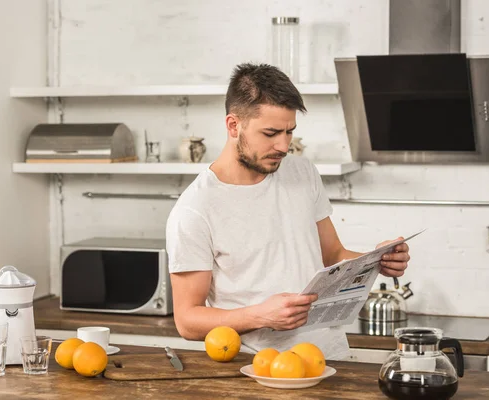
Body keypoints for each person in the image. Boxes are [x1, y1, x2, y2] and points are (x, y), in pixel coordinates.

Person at [165, 63, 410, 360]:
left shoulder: (302, 173)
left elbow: (333, 255)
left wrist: (375, 260)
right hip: (256, 368)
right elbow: (188, 320)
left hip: (329, 358)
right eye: (270, 133)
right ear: (233, 125)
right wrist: (260, 316)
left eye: (289, 131)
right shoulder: (195, 209)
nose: (283, 145)